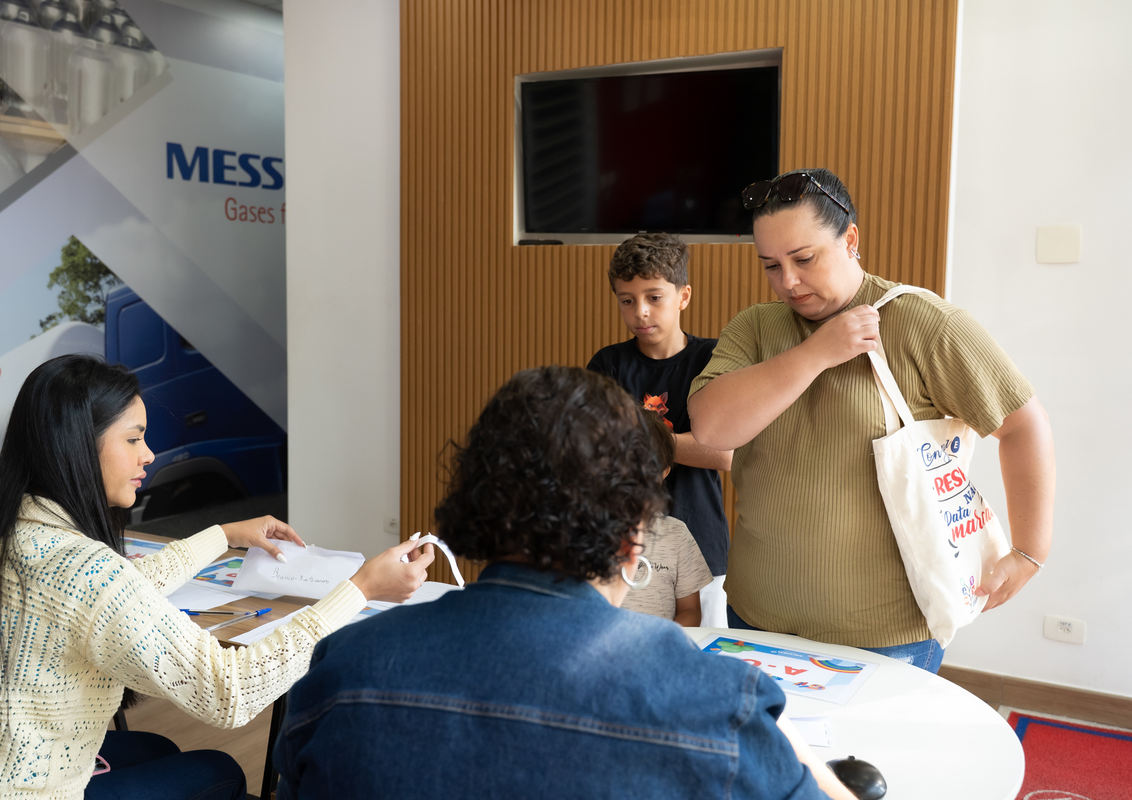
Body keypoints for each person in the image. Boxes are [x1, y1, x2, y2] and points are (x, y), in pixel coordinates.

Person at [273, 366, 853, 800]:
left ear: (479, 503)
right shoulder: (719, 705)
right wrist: (786, 747)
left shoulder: (342, 667)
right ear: (633, 536)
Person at [0, 354, 435, 800]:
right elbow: (231, 692)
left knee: (157, 748)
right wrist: (360, 589)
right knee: (218, 770)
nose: (148, 454)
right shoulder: (85, 569)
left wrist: (224, 535)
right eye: (134, 438)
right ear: (78, 445)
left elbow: (116, 591)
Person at [688, 168, 1055, 672]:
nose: (788, 281)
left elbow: (1022, 424)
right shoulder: (756, 327)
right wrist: (816, 354)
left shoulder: (921, 322)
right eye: (771, 265)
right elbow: (711, 428)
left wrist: (1030, 552)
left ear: (850, 240)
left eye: (804, 259)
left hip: (886, 635)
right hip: (756, 617)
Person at [586, 233, 734, 627]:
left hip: (701, 543)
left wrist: (642, 438)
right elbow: (596, 453)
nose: (641, 312)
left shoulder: (713, 359)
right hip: (621, 545)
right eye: (627, 300)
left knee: (699, 651)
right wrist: (684, 443)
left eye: (654, 297)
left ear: (683, 296)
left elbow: (726, 453)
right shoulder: (608, 365)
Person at [621, 409, 711, 627]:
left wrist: (662, 640)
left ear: (664, 472)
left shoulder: (677, 534)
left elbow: (690, 611)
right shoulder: (587, 532)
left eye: (646, 471)